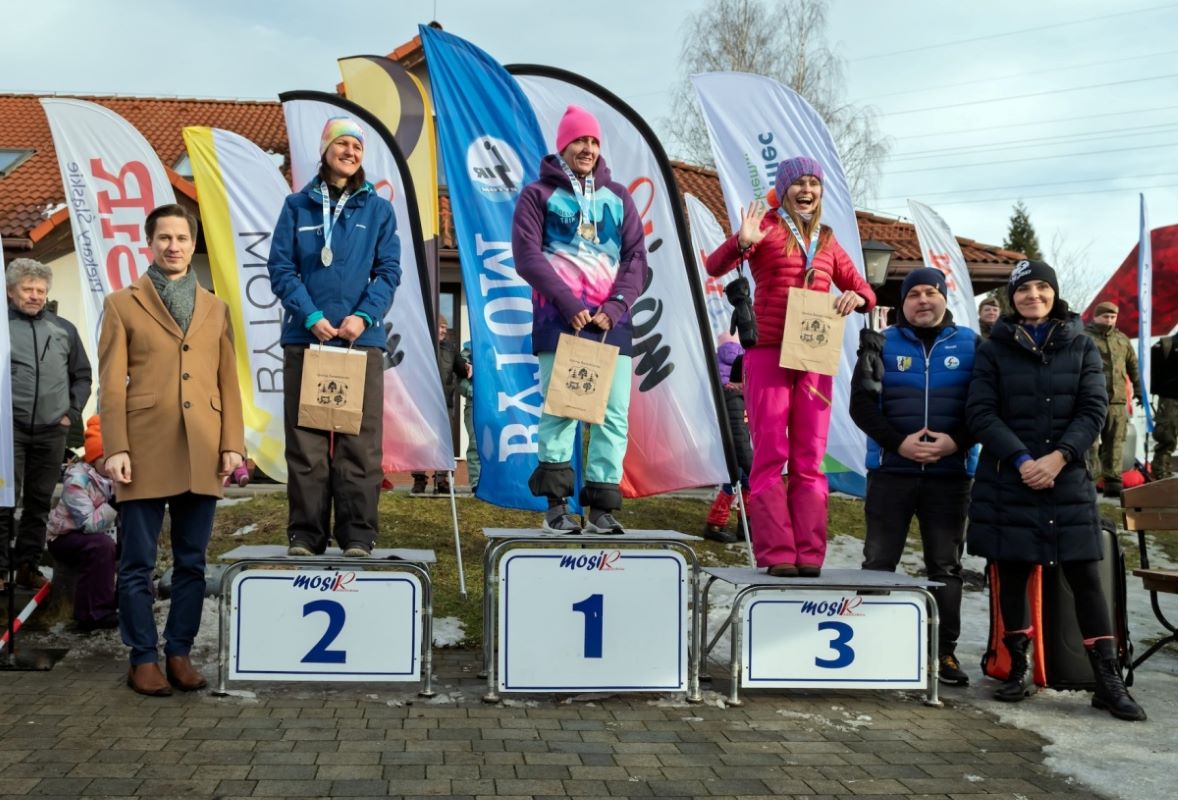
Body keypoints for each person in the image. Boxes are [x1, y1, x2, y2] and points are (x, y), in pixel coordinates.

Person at [966, 260, 1145, 721]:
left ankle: (1107, 680)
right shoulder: (993, 349)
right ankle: (1018, 666)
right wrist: (1023, 460)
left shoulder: (1081, 345)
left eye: (1042, 287)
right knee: (1013, 569)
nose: (1034, 296)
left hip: (1067, 477)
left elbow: (1094, 408)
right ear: (1012, 298)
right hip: (1010, 477)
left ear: (1054, 292)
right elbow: (981, 412)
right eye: (1024, 289)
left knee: (1085, 575)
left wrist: (1059, 457)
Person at [99, 203, 245, 696]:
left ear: (192, 243)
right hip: (142, 447)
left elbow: (228, 380)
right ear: (150, 243)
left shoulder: (215, 307)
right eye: (164, 237)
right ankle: (142, 657)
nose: (173, 246)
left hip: (203, 446)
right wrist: (115, 446)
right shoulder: (122, 304)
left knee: (192, 562)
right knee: (136, 562)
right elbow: (111, 383)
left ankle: (179, 651)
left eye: (182, 238)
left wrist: (232, 443)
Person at [705, 156, 875, 576]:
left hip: (814, 354)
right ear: (783, 190)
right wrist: (741, 241)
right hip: (767, 351)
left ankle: (810, 553)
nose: (807, 190)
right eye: (798, 183)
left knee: (809, 457)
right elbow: (714, 266)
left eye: (813, 184)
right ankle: (778, 551)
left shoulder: (828, 240)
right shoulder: (765, 227)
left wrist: (859, 298)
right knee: (769, 454)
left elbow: (864, 289)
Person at [268, 117, 401, 555]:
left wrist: (364, 316)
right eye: (342, 144)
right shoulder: (297, 206)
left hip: (359, 342)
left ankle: (357, 534)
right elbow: (281, 268)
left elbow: (389, 271)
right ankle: (306, 535)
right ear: (325, 150)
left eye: (357, 147)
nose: (350, 152)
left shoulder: (378, 210)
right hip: (307, 338)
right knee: (307, 443)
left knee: (358, 444)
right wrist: (309, 315)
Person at [513, 105, 649, 534]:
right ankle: (556, 507)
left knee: (613, 416)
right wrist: (568, 304)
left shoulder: (619, 197)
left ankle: (602, 509)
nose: (587, 148)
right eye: (579, 141)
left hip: (612, 327)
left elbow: (636, 259)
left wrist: (616, 307)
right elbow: (527, 256)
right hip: (562, 323)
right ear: (563, 146)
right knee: (562, 411)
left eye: (593, 141)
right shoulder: (537, 195)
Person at [851, 267, 976, 686]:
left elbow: (984, 407)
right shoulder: (881, 343)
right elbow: (860, 407)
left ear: (944, 298)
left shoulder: (972, 345)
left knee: (945, 567)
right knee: (878, 563)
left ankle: (944, 654)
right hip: (891, 473)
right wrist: (899, 443)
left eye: (930, 292)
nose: (923, 300)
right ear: (902, 303)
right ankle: (869, 648)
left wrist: (955, 442)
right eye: (914, 294)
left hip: (950, 474)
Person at [3, 258, 92, 592]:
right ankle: (1, 569)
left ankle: (27, 566)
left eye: (41, 290)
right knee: (3, 500)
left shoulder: (64, 329)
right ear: (10, 291)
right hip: (8, 430)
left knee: (39, 502)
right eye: (28, 289)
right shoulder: (2, 327)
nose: (35, 296)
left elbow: (82, 376)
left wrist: (71, 412)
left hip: (52, 430)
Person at [45, 415, 118, 631]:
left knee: (135, 540)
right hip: (65, 537)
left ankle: (130, 600)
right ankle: (93, 614)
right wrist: (115, 503)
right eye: (106, 457)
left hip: (103, 533)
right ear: (94, 458)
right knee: (101, 547)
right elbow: (88, 525)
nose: (112, 463)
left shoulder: (114, 477)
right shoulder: (77, 480)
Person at [1083, 301, 1140, 498]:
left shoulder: (1122, 340)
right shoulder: (1083, 338)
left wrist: (1139, 390)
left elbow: (1133, 366)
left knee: (1115, 441)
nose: (1109, 320)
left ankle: (1113, 482)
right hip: (1090, 398)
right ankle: (1089, 480)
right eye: (1105, 316)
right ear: (1096, 317)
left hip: (1117, 400)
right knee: (1090, 442)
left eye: (1112, 317)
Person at [411, 318, 469, 495]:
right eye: (440, 327)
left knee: (444, 441)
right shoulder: (420, 345)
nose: (444, 330)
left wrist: (467, 366)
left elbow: (460, 368)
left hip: (445, 402)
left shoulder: (451, 349)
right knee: (420, 440)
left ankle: (442, 479)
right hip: (422, 401)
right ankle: (419, 480)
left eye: (445, 327)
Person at [704, 337, 750, 544]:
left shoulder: (718, 376)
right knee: (734, 481)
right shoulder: (735, 390)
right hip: (737, 448)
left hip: (730, 445)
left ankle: (746, 525)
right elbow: (738, 430)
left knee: (743, 481)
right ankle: (715, 524)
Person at [458, 340, 479, 492]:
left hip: (496, 404)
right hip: (474, 405)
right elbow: (461, 382)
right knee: (475, 443)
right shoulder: (465, 356)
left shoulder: (495, 346)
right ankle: (477, 482)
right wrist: (475, 393)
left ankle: (495, 481)